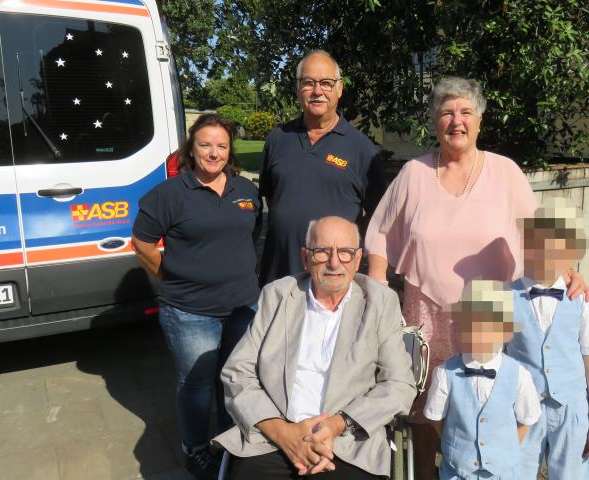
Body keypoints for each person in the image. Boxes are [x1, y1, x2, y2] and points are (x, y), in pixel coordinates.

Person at [365, 76, 589, 479]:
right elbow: (381, 230)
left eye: (466, 112)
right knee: (427, 406)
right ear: (435, 121)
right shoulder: (415, 173)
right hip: (427, 313)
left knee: (492, 401)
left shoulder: (505, 172)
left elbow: (539, 234)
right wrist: (378, 283)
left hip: (493, 316)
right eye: (447, 112)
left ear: (480, 120)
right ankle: (427, 473)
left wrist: (568, 271)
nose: (457, 121)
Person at [214, 216, 416, 479]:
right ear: (305, 258)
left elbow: (399, 384)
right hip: (272, 437)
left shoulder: (380, 302)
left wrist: (337, 424)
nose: (334, 263)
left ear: (357, 260)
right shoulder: (278, 295)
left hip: (349, 440)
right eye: (322, 252)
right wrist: (283, 433)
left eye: (345, 252)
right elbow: (237, 373)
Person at [131, 114, 261, 479]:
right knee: (197, 383)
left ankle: (230, 442)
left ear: (230, 150)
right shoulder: (169, 194)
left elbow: (251, 235)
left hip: (242, 307)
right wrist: (172, 278)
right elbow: (141, 244)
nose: (214, 153)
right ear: (192, 148)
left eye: (222, 145)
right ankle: (196, 449)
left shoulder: (246, 190)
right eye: (205, 145)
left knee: (235, 379)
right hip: (190, 312)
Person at [258, 50, 386, 285]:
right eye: (308, 83)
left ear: (340, 88)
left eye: (326, 83)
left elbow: (379, 218)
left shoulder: (363, 150)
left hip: (333, 280)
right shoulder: (277, 139)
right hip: (279, 276)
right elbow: (271, 198)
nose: (317, 91)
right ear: (298, 88)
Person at [506, 198, 589, 479]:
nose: (548, 254)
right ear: (526, 245)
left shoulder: (580, 301)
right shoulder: (505, 298)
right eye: (540, 244)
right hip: (521, 410)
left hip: (571, 412)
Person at [424, 280, 541, 480]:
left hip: (503, 474)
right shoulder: (445, 374)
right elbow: (436, 419)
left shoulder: (519, 375)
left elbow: (525, 421)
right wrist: (456, 446)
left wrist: (505, 453)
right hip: (457, 472)